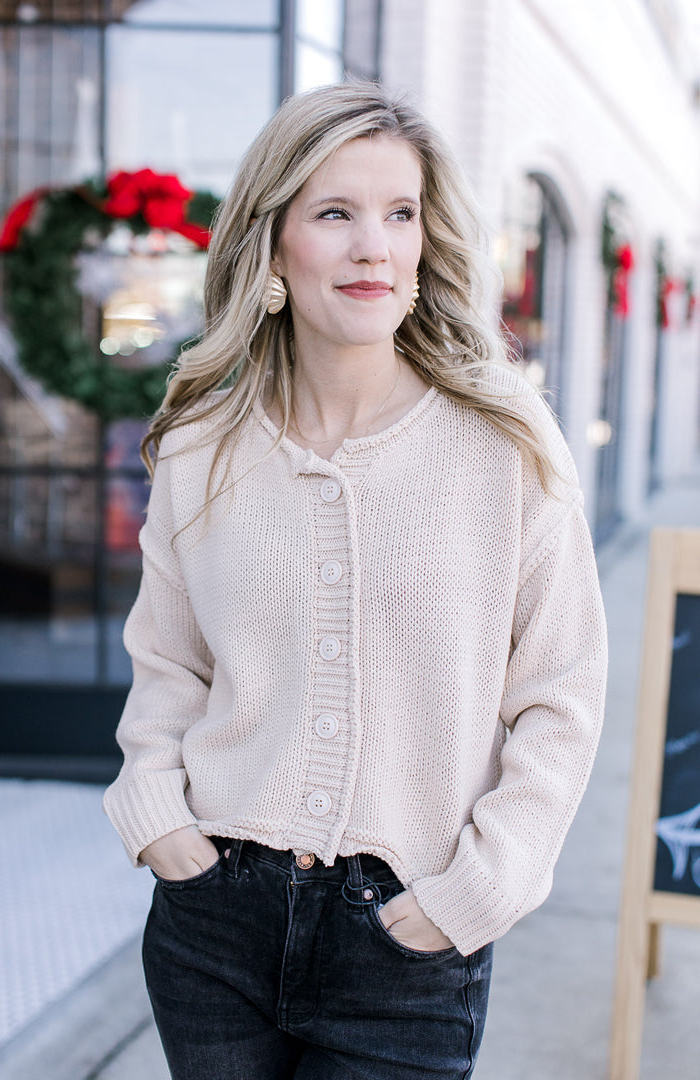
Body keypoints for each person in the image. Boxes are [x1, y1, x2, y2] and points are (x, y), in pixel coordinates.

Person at [103, 82, 607, 1080]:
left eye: (400, 213)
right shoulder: (201, 439)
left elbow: (562, 692)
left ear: (427, 240)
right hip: (214, 926)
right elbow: (168, 660)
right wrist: (159, 816)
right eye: (335, 213)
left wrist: (479, 891)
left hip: (407, 946)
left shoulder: (504, 440)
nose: (373, 246)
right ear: (274, 241)